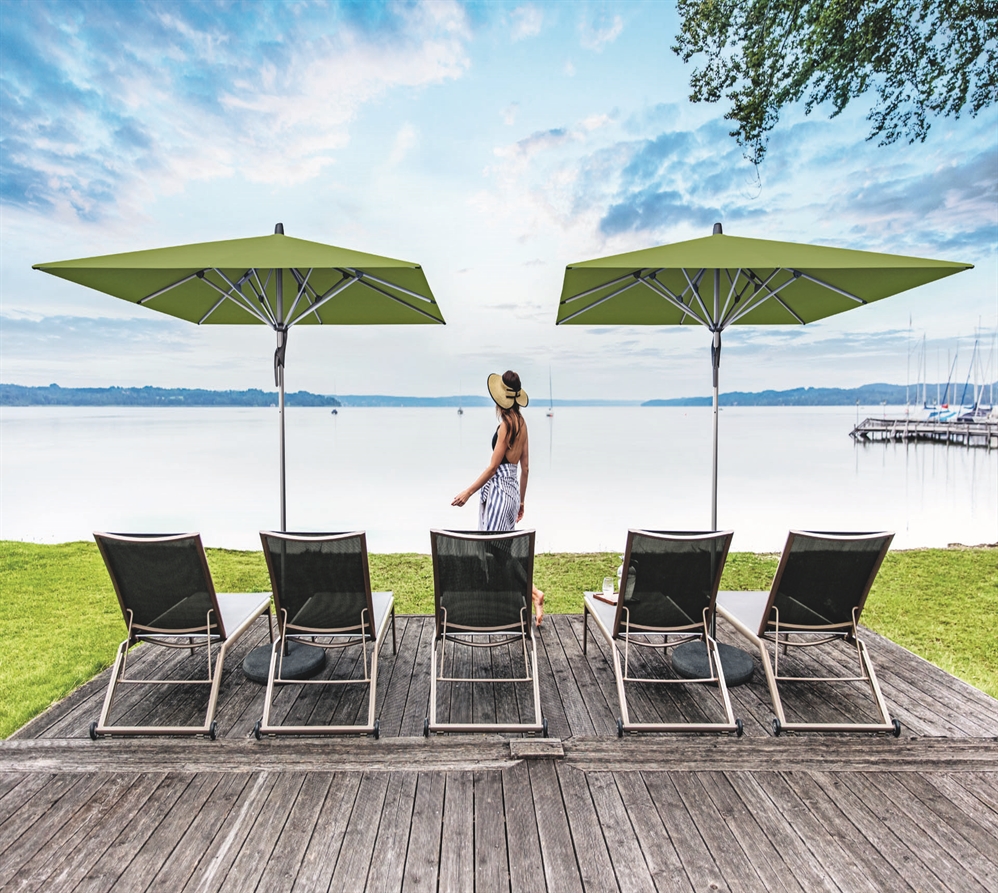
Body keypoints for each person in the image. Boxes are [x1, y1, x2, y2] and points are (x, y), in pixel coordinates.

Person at [452, 371, 545, 625]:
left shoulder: (506, 424)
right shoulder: (522, 423)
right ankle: (522, 594)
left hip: (499, 492)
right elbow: (525, 468)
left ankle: (533, 593)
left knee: (497, 549)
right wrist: (522, 501)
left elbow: (493, 468)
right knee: (498, 549)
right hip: (512, 490)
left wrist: (468, 493)